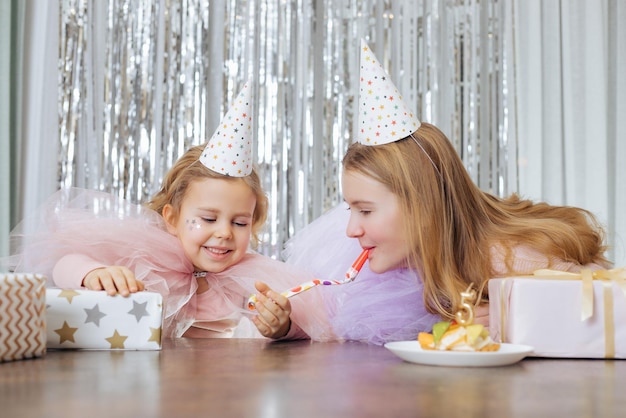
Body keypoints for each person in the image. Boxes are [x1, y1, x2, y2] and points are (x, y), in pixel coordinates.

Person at [282, 39, 612, 345]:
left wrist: (511, 315)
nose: (351, 229)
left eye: (365, 211)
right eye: (350, 209)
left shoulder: (505, 257)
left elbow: (605, 297)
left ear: (423, 206)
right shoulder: (408, 259)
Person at [5, 81, 332, 341]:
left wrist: (282, 326)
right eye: (207, 218)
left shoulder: (255, 278)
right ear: (172, 218)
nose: (224, 232)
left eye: (240, 222)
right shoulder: (146, 254)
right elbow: (61, 264)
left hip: (229, 390)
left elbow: (312, 324)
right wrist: (93, 272)